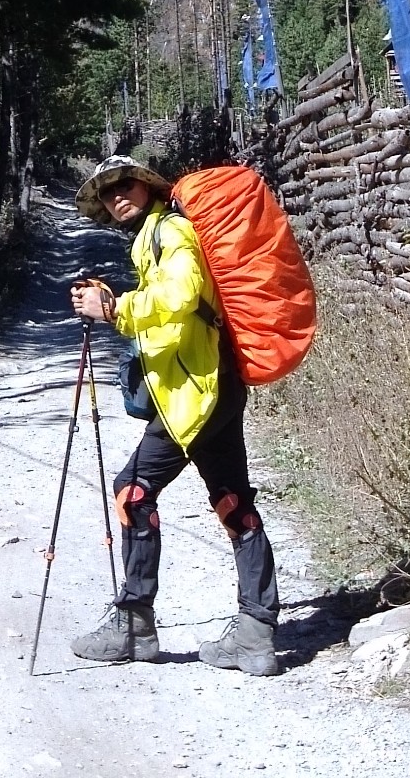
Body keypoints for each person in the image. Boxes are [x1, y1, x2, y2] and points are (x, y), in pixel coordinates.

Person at [68, 155, 279, 674]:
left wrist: (117, 310)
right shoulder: (155, 235)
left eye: (125, 185)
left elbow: (182, 295)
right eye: (108, 192)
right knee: (233, 502)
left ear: (147, 186)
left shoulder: (172, 231)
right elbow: (171, 312)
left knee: (132, 492)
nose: (118, 196)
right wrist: (118, 303)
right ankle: (256, 632)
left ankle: (134, 624)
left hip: (197, 395)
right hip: (215, 385)